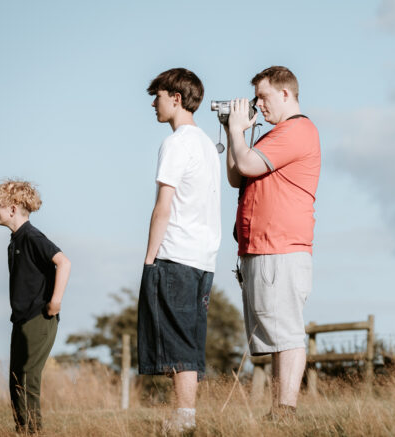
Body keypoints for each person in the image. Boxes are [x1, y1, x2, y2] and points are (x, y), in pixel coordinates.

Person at [225, 66, 321, 420]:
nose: (258, 105)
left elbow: (247, 164)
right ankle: (280, 411)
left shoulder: (297, 130)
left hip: (280, 248)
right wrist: (230, 133)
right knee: (275, 332)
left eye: (263, 97)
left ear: (286, 94)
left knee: (287, 331)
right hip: (263, 247)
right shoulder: (274, 135)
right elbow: (237, 175)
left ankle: (285, 410)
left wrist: (238, 131)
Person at [138, 68, 221, 433]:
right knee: (189, 337)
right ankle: (186, 416)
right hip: (204, 258)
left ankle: (184, 418)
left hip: (175, 254)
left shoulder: (176, 143)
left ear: (175, 97)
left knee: (176, 339)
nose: (153, 103)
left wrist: (149, 258)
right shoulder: (206, 144)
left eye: (157, 95)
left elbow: (163, 205)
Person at [0, 179, 71, 433]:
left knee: (28, 378)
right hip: (21, 319)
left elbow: (64, 263)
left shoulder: (32, 237)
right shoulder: (16, 240)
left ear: (13, 208)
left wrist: (55, 302)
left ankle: (34, 431)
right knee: (16, 379)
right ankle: (22, 430)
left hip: (39, 318)